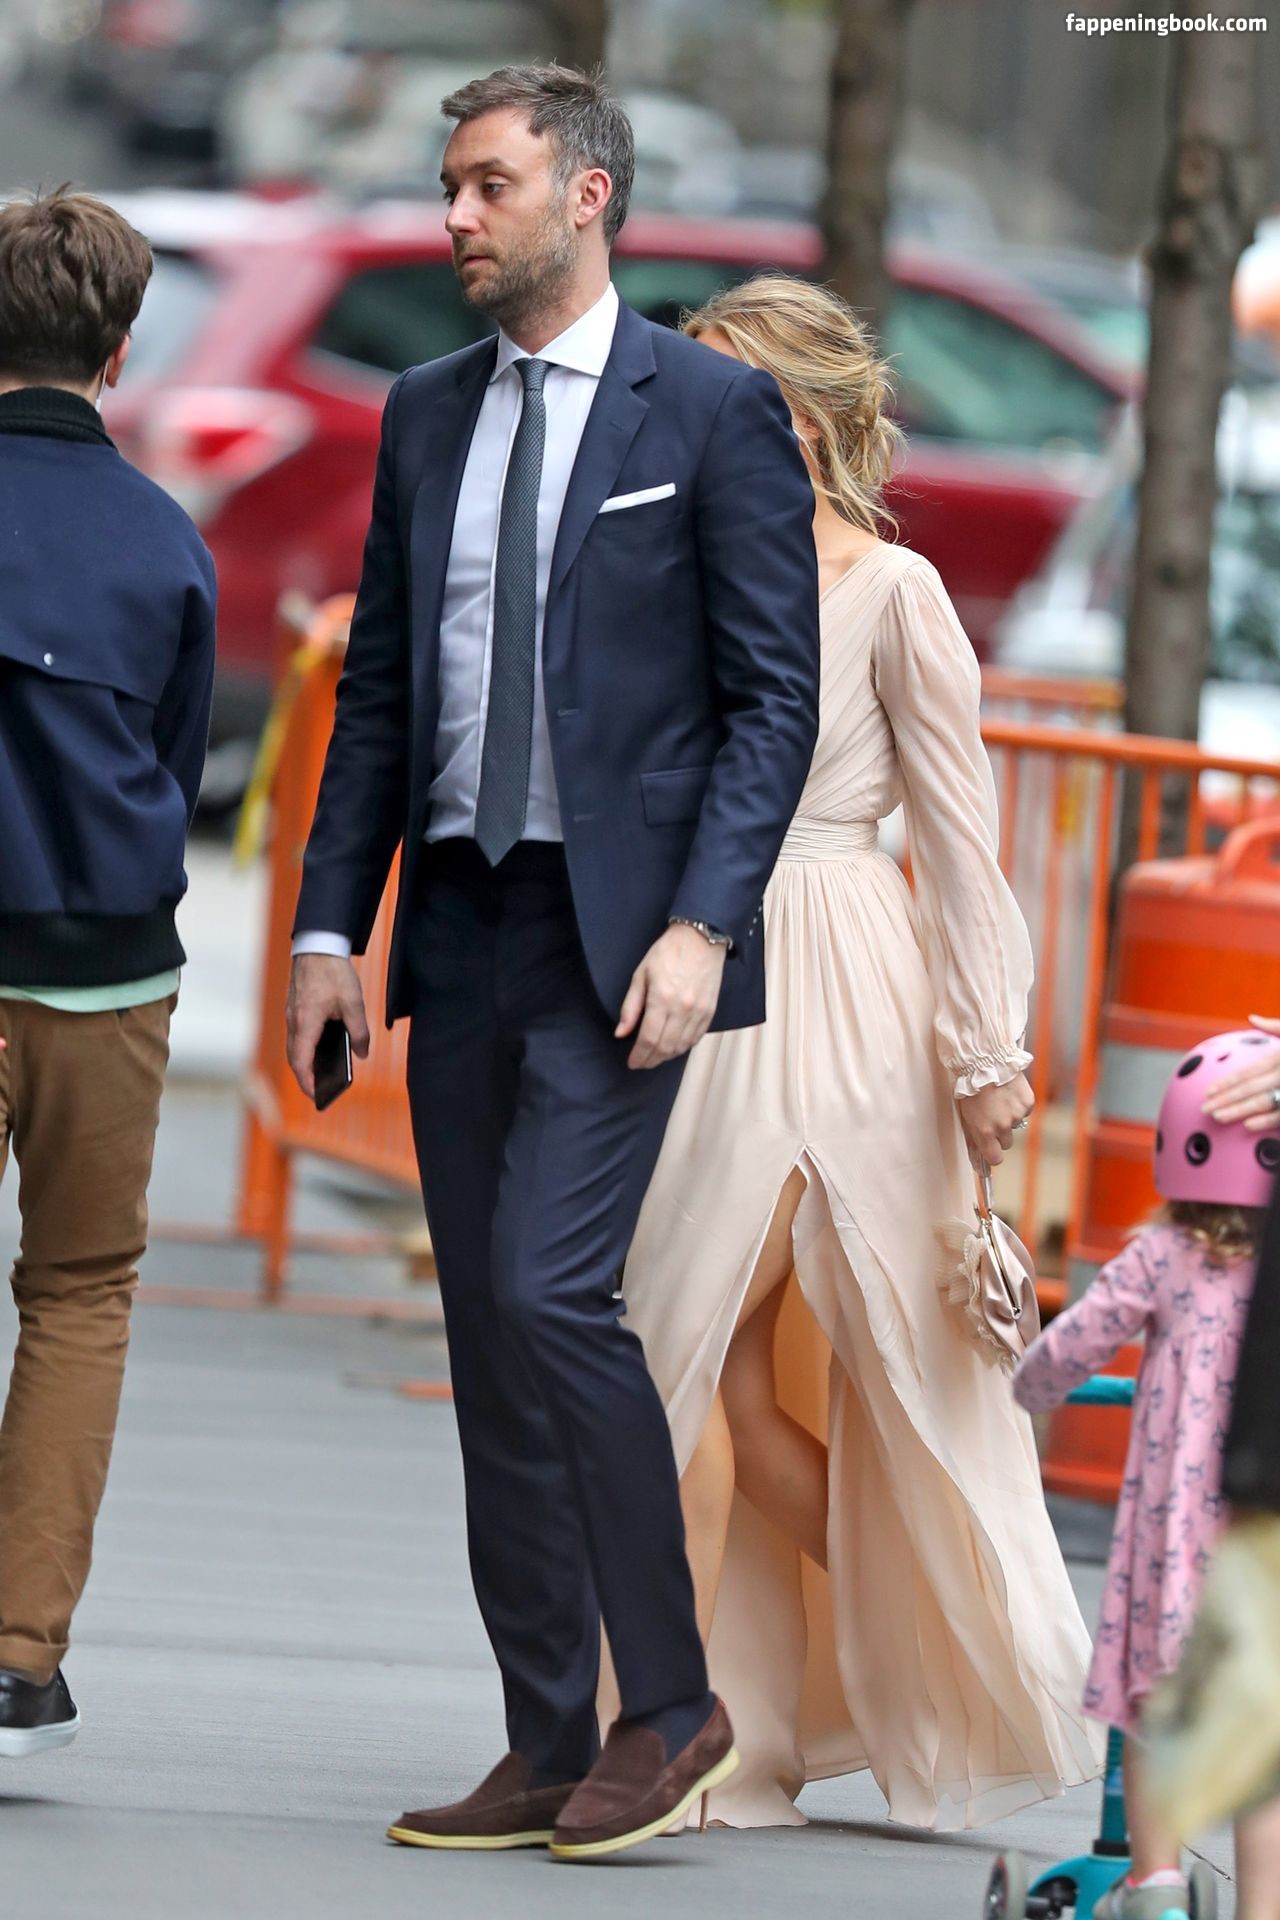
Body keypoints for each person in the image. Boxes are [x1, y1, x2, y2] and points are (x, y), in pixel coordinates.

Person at [284, 67, 820, 1859]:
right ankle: (542, 1736)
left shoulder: (712, 412)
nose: (455, 215)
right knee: (489, 1331)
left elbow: (772, 705)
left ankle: (668, 1707)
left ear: (588, 196)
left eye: (488, 185)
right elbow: (377, 694)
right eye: (449, 185)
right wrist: (328, 929)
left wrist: (704, 925)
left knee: (548, 1289)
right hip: (460, 924)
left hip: (621, 941)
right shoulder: (425, 411)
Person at [621, 273, 1099, 1831]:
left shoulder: (895, 592)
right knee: (705, 1366)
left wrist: (986, 1055)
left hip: (841, 982)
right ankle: (736, 1716)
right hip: (690, 976)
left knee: (737, 1360)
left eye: (729, 392)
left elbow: (959, 845)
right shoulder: (663, 563)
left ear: (810, 421)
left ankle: (687, 1727)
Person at [0, 190, 216, 1756]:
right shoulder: (164, 542)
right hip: (105, 979)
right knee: (78, 1296)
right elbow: (176, 771)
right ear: (120, 352)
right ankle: (16, 1656)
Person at [1014, 1029, 1280, 1920]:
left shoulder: (1162, 1259)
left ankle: (1157, 1889)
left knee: (1160, 1710)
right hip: (1258, 1544)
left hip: (1169, 1550)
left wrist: (1029, 1388)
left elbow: (1074, 1344)